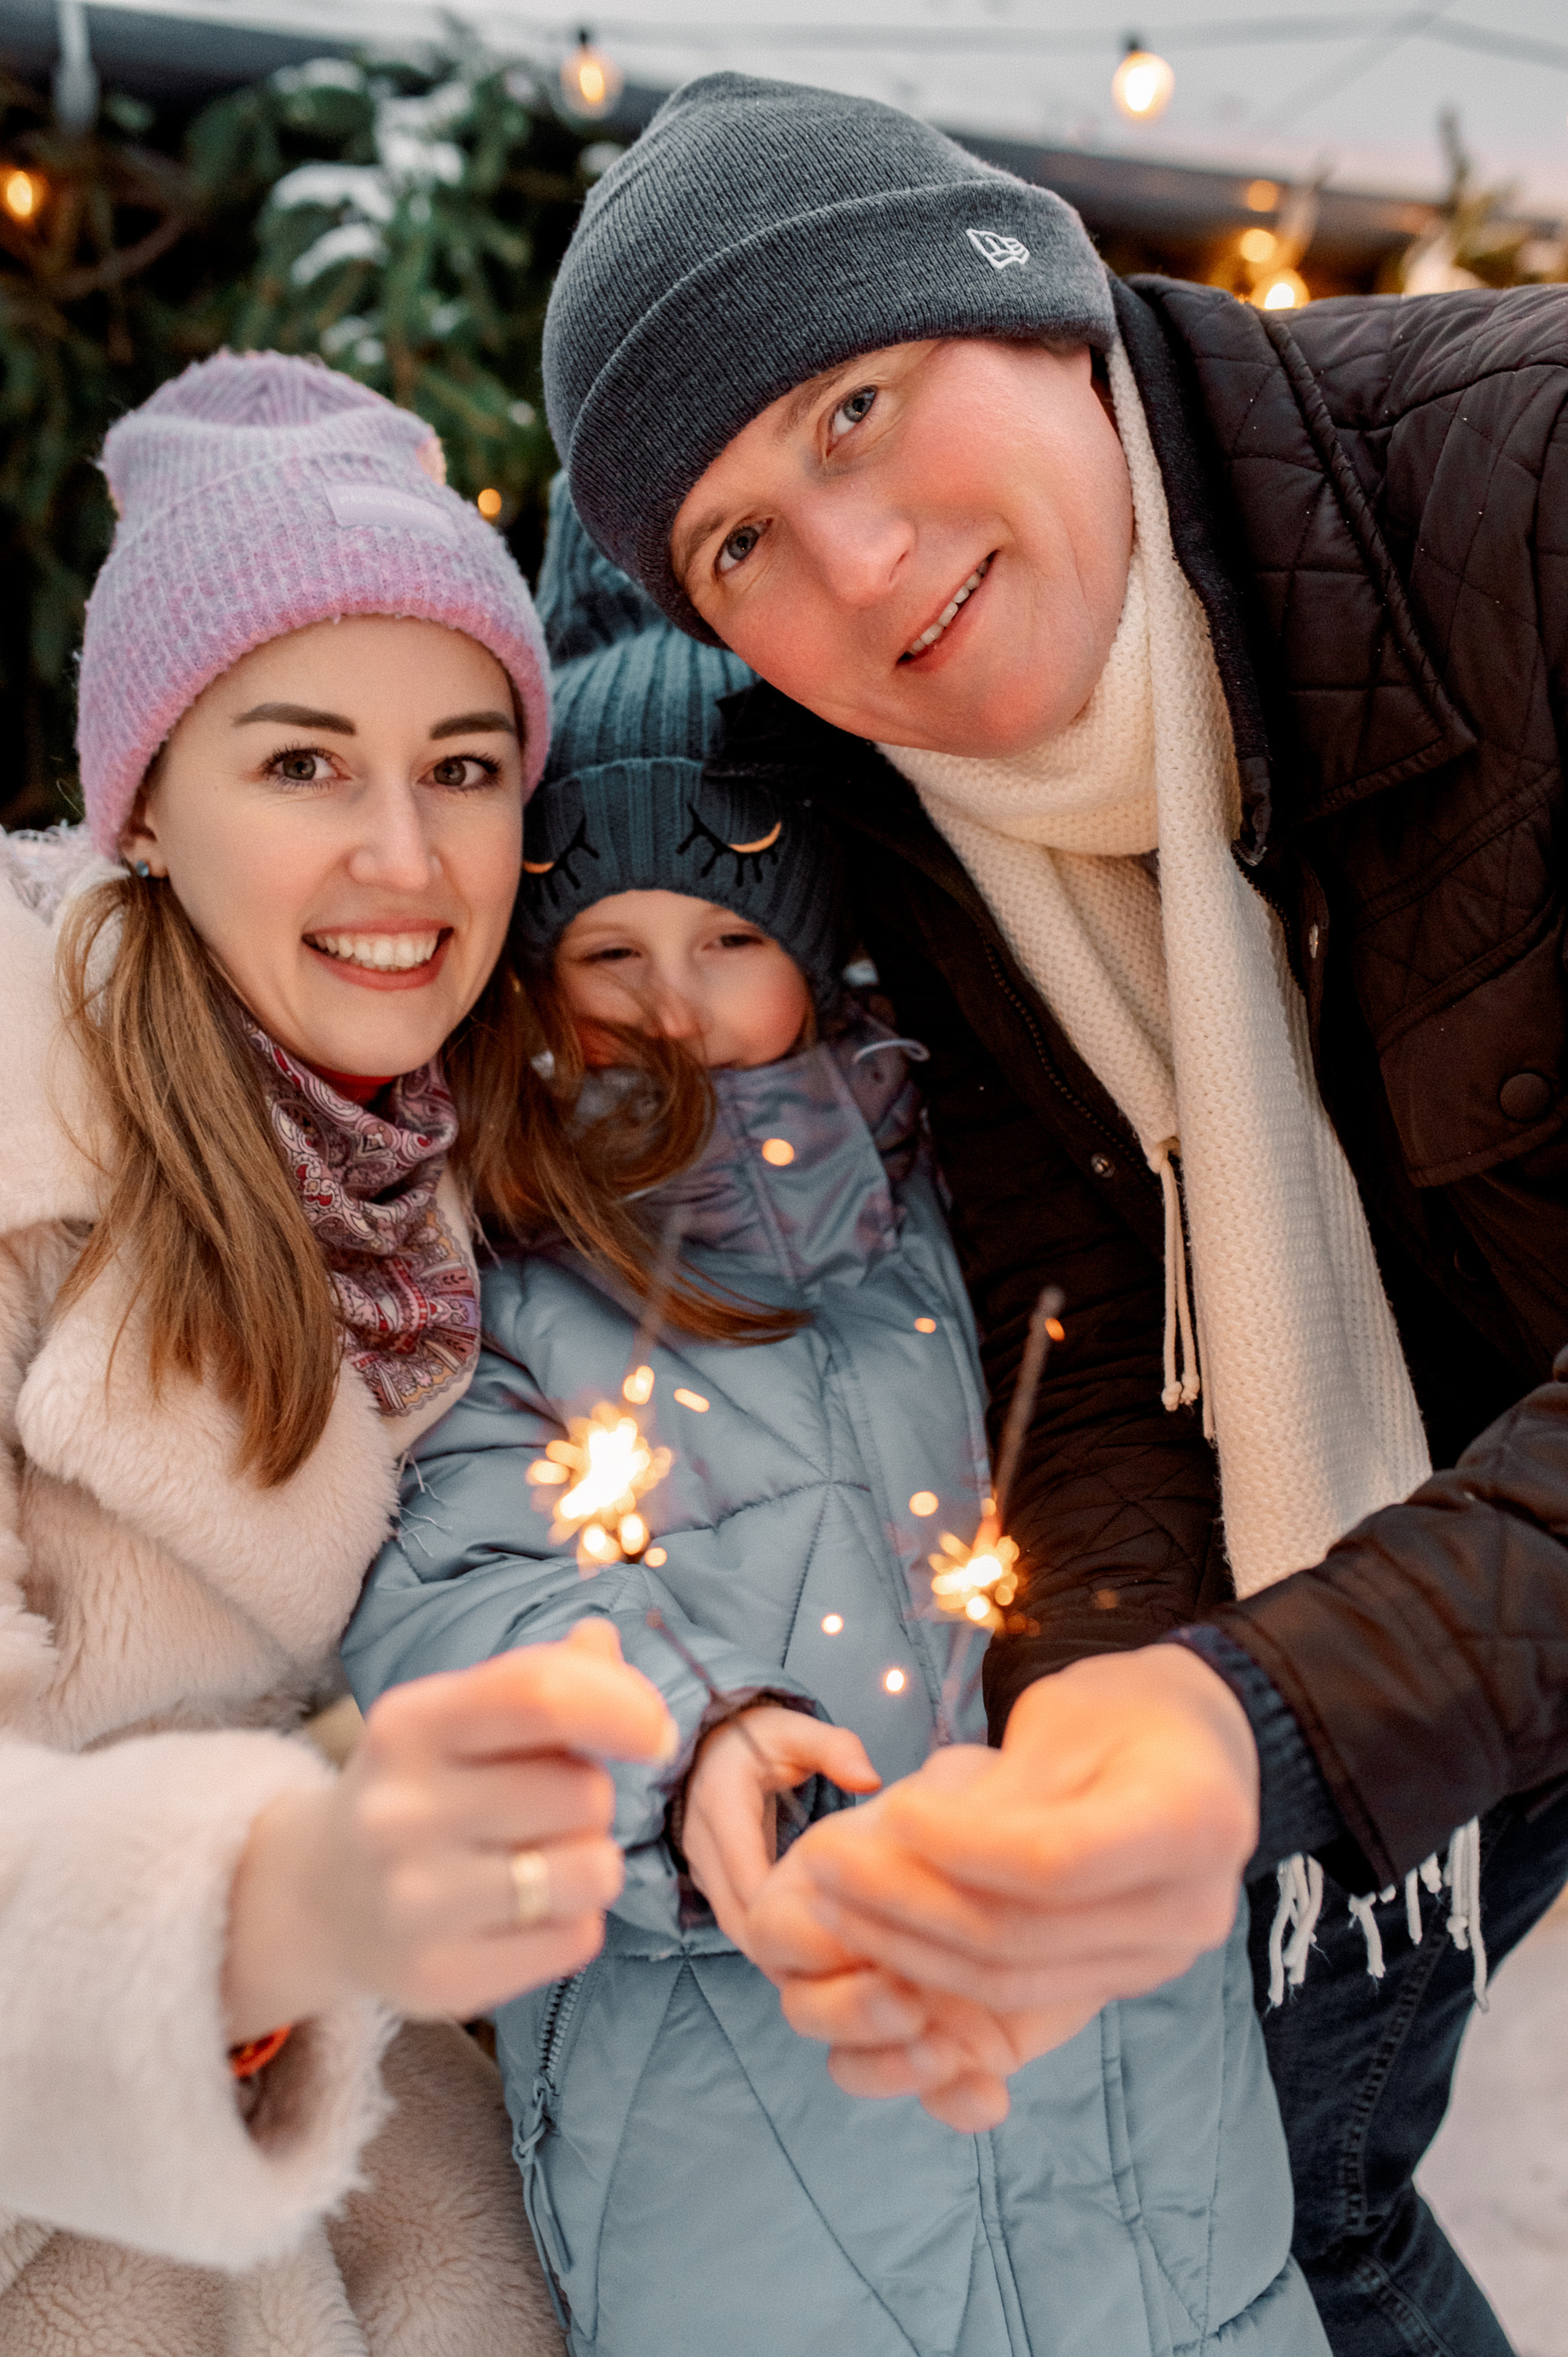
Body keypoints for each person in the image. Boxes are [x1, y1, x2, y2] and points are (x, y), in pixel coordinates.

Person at [538, 72, 1568, 2356]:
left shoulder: (1532, 494)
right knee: (1257, 2150)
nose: (862, 569)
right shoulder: (900, 814)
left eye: (860, 407)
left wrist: (1250, 1724)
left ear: (1031, 300)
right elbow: (1080, 1314)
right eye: (734, 548)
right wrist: (1102, 1711)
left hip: (1467, 1542)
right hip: (1442, 1536)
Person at [340, 489, 1330, 2357]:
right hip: (748, 2145)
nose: (672, 1013)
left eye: (724, 941)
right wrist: (686, 1750)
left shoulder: (979, 1206)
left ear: (818, 934)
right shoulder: (499, 1277)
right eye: (608, 955)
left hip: (1145, 2128)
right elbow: (452, 1595)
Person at [0, 350, 675, 2357]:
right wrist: (284, 1894)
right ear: (145, 809)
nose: (407, 859)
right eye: (302, 765)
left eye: (464, 767)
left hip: (402, 2189)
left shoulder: (486, 1172)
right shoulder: (23, 1165)